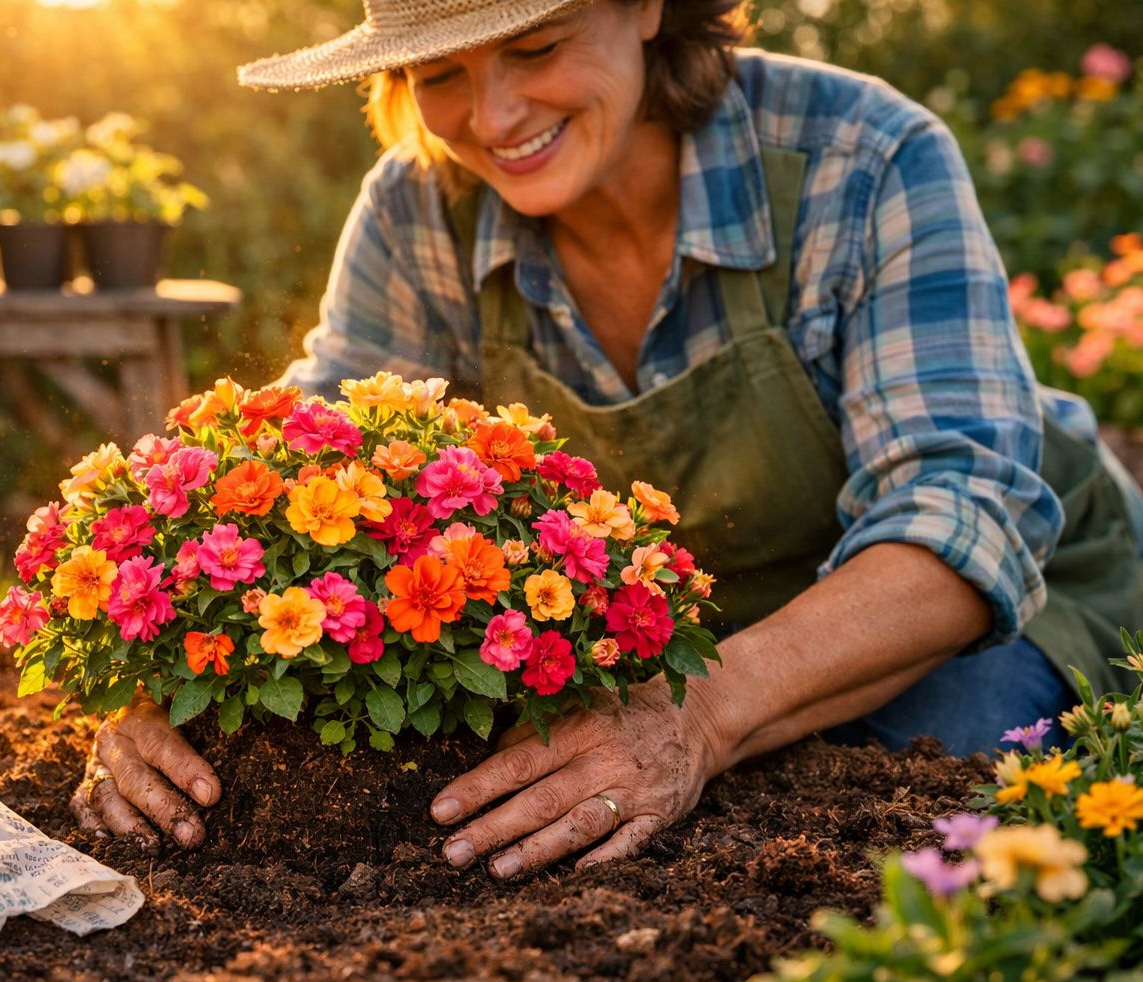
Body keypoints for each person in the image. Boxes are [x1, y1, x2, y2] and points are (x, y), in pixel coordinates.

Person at [70, 0, 1143, 879]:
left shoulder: (862, 158)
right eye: (440, 72)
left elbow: (961, 517)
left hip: (983, 604)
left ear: (645, 8)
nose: (493, 117)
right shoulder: (420, 206)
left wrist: (704, 712)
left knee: (935, 796)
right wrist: (166, 682)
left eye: (536, 48)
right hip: (673, 645)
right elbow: (316, 467)